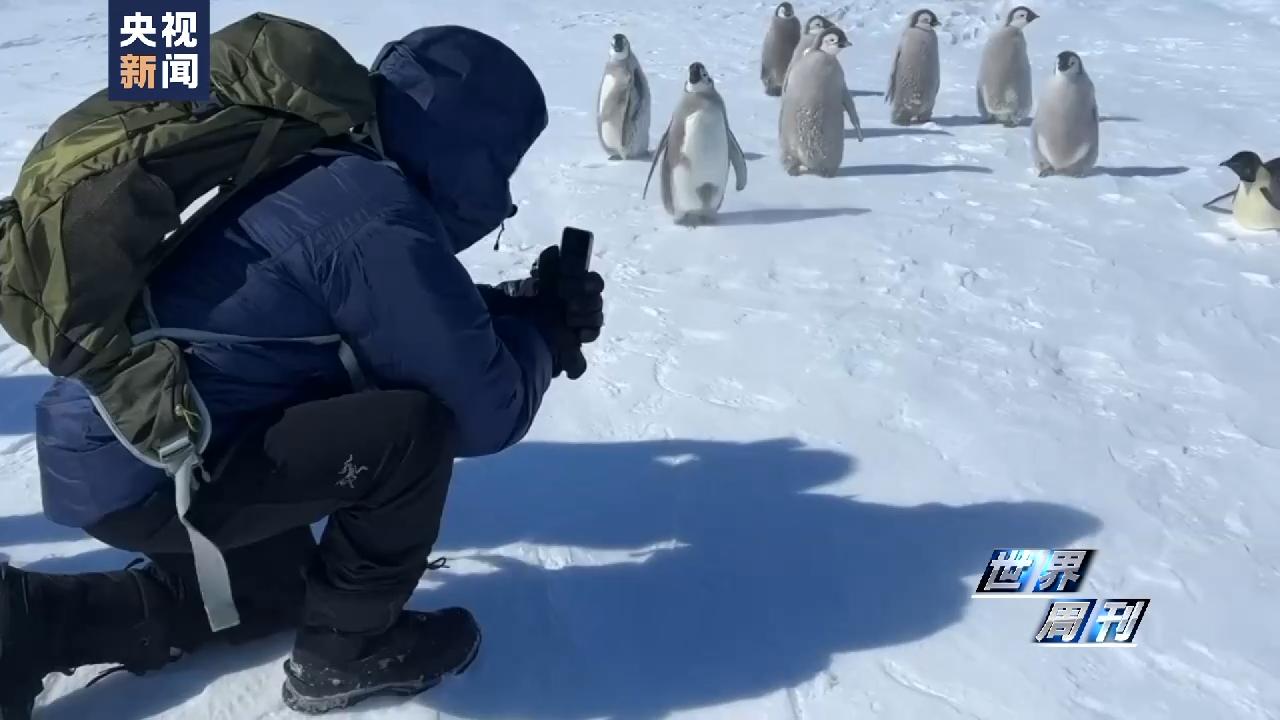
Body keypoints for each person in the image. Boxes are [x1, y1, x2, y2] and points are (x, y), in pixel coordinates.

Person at [0, 25, 603, 717]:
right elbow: (483, 408)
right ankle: (347, 653)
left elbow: (397, 327)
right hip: (152, 462)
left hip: (122, 446)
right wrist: (545, 338)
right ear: (474, 150)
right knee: (412, 432)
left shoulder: (332, 173)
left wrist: (521, 312)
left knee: (274, 596)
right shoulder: (375, 214)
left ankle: (28, 620)